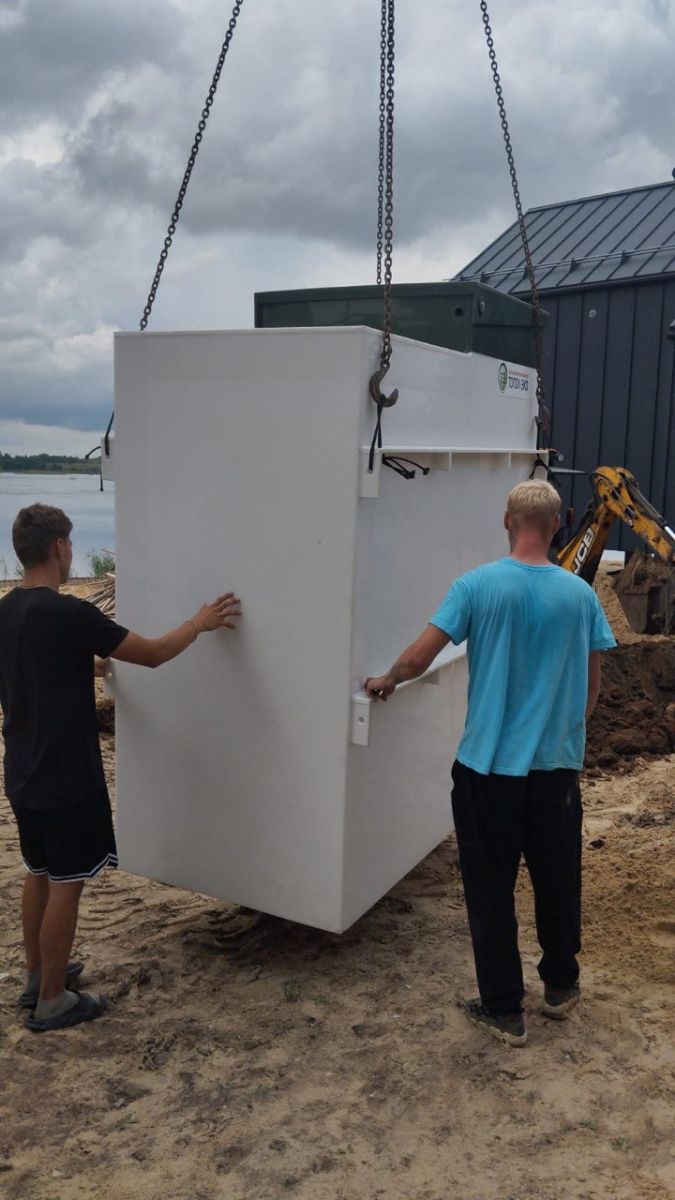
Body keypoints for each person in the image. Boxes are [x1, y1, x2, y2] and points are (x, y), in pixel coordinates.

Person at [365, 480, 615, 1047]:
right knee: (558, 880)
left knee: (490, 888)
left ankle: (503, 1009)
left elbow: (419, 657)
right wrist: (564, 735)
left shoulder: (476, 586)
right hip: (556, 772)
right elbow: (593, 685)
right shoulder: (580, 596)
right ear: (558, 524)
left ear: (507, 520)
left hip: (487, 771)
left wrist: (388, 680)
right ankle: (560, 987)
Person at [0, 503, 241, 1033]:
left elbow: (29, 668)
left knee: (38, 872)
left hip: (21, 768)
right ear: (60, 547)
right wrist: (198, 623)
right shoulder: (71, 614)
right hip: (66, 774)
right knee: (67, 883)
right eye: (69, 546)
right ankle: (53, 1000)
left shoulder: (8, 610)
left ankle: (37, 976)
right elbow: (153, 654)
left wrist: (87, 663)